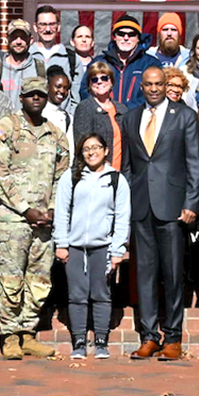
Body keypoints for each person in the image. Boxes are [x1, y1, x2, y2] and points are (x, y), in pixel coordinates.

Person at [119, 65, 199, 360]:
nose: (153, 88)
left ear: (166, 85)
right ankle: (149, 336)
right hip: (141, 207)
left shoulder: (185, 117)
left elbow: (194, 163)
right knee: (145, 275)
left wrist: (192, 203)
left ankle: (174, 337)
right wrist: (128, 201)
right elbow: (127, 166)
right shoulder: (130, 118)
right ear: (141, 87)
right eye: (148, 84)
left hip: (173, 207)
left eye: (158, 84)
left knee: (173, 274)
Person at [0, 77, 71, 360]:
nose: (36, 99)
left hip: (44, 223)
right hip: (12, 220)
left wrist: (53, 210)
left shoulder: (55, 134)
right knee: (11, 279)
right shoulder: (5, 129)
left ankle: (28, 334)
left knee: (39, 280)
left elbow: (63, 176)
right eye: (30, 95)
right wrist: (25, 209)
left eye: (40, 95)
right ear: (21, 98)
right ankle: (9, 336)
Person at [54, 132, 129, 360]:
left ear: (106, 151)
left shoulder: (116, 180)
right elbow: (62, 210)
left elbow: (122, 216)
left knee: (101, 294)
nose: (91, 152)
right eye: (86, 149)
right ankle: (78, 341)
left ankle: (101, 341)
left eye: (96, 147)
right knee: (76, 295)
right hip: (75, 247)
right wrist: (61, 243)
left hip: (103, 247)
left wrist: (117, 250)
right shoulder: (72, 177)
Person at [72, 61, 124, 171]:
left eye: (104, 78)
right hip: (95, 173)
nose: (100, 82)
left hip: (121, 172)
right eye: (94, 80)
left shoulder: (122, 109)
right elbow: (82, 144)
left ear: (111, 82)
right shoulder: (85, 108)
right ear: (90, 85)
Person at [100, 14, 154, 108]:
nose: (126, 38)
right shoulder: (100, 62)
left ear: (138, 38)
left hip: (138, 118)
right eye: (121, 34)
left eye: (131, 34)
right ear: (114, 37)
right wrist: (107, 108)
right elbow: (86, 90)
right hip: (105, 117)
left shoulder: (150, 64)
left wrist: (125, 109)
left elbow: (155, 93)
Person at [0, 18, 46, 101]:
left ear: (31, 40)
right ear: (7, 39)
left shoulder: (40, 68)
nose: (18, 42)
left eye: (23, 37)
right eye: (14, 37)